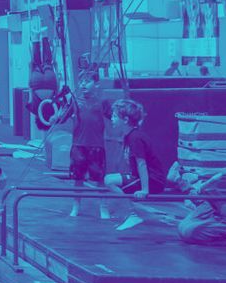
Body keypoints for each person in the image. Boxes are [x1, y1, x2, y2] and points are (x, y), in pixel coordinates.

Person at [112, 98, 171, 231]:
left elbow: (142, 164)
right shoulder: (129, 136)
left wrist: (145, 190)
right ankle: (130, 213)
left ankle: (132, 214)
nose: (111, 118)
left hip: (153, 180)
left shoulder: (135, 138)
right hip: (144, 178)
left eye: (115, 116)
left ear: (125, 120)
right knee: (111, 179)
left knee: (109, 181)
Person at [63, 77, 114, 222]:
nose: (83, 84)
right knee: (77, 178)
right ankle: (76, 206)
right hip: (79, 146)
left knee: (100, 179)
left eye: (87, 81)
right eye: (81, 81)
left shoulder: (102, 102)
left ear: (96, 84)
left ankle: (103, 206)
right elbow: (59, 118)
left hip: (96, 146)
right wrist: (59, 108)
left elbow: (114, 118)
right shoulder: (75, 101)